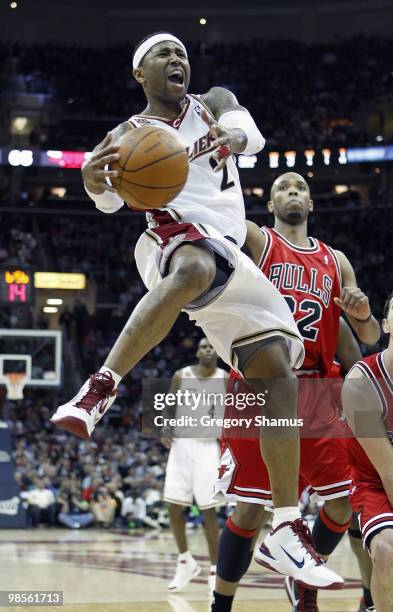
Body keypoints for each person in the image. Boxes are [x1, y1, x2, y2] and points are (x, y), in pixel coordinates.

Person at [51, 32, 341, 588]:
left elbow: (250, 134)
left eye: (182, 52)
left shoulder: (214, 102)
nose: (177, 59)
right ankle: (100, 386)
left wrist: (230, 135)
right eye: (163, 54)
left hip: (233, 253)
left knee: (279, 373)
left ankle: (283, 526)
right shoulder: (128, 135)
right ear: (141, 74)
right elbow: (110, 198)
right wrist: (92, 182)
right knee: (195, 266)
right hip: (173, 239)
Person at [212, 172, 380, 612]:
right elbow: (218, 217)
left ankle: (303, 583)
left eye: (300, 188)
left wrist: (362, 316)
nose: (293, 192)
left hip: (317, 394)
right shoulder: (257, 240)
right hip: (261, 386)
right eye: (283, 188)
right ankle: (220, 605)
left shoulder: (336, 260)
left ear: (311, 205)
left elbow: (368, 335)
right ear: (269, 205)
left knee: (342, 507)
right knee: (250, 510)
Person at [163, 337, 227, 592]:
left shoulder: (225, 377)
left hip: (208, 447)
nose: (208, 350)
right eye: (203, 347)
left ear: (218, 353)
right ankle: (185, 561)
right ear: (197, 352)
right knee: (173, 506)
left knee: (208, 510)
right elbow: (169, 406)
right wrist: (166, 428)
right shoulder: (181, 375)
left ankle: (215, 569)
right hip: (181, 445)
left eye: (212, 346)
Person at [342, 290, 393, 612]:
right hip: (376, 482)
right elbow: (388, 471)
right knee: (388, 551)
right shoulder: (361, 382)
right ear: (386, 324)